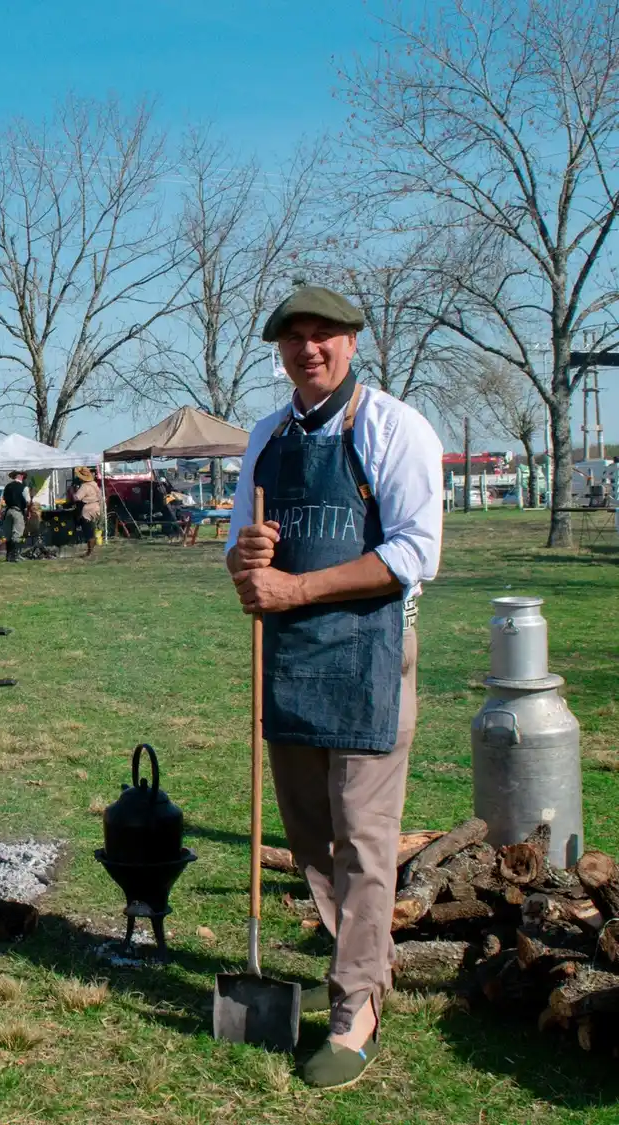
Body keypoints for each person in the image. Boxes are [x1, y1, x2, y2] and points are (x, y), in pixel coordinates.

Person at [226, 286, 442, 1089]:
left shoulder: (392, 427)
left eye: (324, 337)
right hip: (286, 659)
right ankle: (363, 955)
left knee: (361, 832)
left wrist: (296, 591)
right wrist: (246, 563)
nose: (309, 350)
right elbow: (238, 563)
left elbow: (416, 550)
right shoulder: (268, 438)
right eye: (294, 340)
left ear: (352, 343)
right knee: (312, 836)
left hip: (368, 653)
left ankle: (357, 1007)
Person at [0, 471, 30, 563]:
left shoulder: (7, 487)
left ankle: (9, 556)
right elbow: (28, 501)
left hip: (8, 511)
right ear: (21, 476)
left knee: (8, 535)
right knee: (17, 534)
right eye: (23, 476)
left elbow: (3, 499)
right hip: (17, 511)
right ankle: (16, 556)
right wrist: (28, 512)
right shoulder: (24, 487)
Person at [72, 467, 102, 558]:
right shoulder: (94, 484)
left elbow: (77, 498)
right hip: (96, 507)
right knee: (92, 529)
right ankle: (91, 551)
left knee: (88, 531)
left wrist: (72, 492)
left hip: (88, 509)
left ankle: (89, 553)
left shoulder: (84, 486)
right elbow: (100, 495)